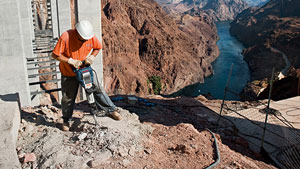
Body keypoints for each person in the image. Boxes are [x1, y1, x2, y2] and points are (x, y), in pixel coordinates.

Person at [52, 20, 121, 131]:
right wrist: (70, 61)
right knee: (68, 97)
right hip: (68, 72)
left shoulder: (90, 37)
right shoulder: (66, 37)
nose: (85, 41)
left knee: (97, 89)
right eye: (82, 39)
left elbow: (98, 47)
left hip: (83, 69)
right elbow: (55, 54)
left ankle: (111, 110)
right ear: (77, 32)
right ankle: (66, 120)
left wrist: (92, 57)